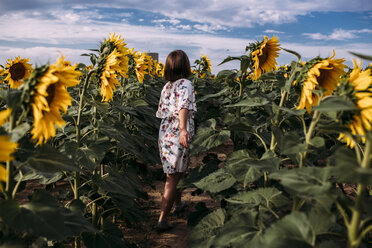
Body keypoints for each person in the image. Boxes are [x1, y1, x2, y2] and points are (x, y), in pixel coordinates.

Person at [155, 50, 196, 231]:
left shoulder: (167, 87)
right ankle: (162, 220)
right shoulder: (186, 84)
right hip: (177, 133)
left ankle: (178, 205)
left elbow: (162, 111)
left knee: (175, 172)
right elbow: (183, 107)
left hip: (165, 133)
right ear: (185, 65)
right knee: (173, 177)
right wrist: (183, 130)